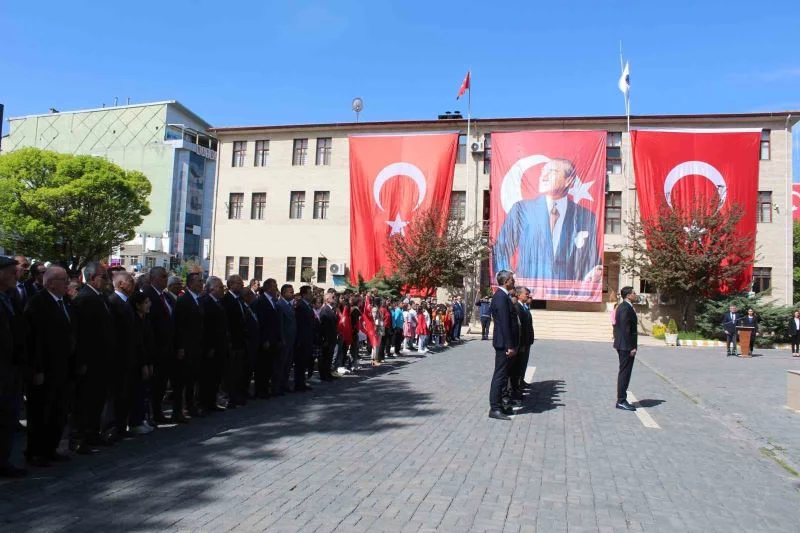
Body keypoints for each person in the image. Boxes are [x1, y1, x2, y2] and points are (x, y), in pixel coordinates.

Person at [492, 158, 602, 283]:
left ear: (569, 181)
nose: (543, 176)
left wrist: (595, 272)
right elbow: (501, 248)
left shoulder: (585, 216)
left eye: (552, 171)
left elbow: (591, 259)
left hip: (566, 294)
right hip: (527, 290)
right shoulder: (522, 210)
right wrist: (506, 278)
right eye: (543, 171)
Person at [24, 266, 76, 466]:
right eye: (63, 279)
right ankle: (35, 451)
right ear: (50, 283)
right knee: (41, 412)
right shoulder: (38, 303)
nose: (67, 283)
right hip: (45, 369)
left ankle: (50, 448)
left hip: (64, 367)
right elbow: (34, 339)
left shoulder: (66, 302)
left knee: (59, 411)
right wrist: (37, 369)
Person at [71, 262, 115, 451]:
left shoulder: (101, 297)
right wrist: (81, 361)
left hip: (102, 360)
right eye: (103, 277)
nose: (106, 280)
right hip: (90, 361)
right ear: (91, 278)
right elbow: (81, 334)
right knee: (86, 401)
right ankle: (81, 437)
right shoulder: (85, 298)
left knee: (97, 400)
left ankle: (93, 434)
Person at [0, 257, 28, 477]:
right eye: (10, 272)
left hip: (13, 368)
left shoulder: (11, 297)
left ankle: (4, 460)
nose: (15, 276)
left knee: (9, 416)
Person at [143, 267, 174, 424]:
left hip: (167, 347)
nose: (165, 279)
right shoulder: (148, 294)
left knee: (161, 383)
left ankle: (158, 411)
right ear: (153, 278)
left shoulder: (166, 296)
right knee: (154, 384)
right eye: (162, 276)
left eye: (166, 276)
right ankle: (151, 414)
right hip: (155, 347)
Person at [173, 272, 205, 422]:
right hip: (186, 347)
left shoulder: (198, 300)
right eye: (198, 281)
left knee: (192, 379)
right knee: (182, 381)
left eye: (202, 281)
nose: (201, 284)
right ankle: (178, 410)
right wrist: (180, 347)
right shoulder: (184, 300)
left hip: (196, 346)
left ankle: (191, 406)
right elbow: (179, 325)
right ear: (190, 283)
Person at [489, 270, 518, 421]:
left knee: (503, 375)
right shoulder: (500, 297)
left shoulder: (503, 296)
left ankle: (499, 405)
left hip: (504, 342)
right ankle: (494, 408)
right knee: (499, 376)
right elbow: (505, 324)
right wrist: (510, 346)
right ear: (506, 281)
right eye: (512, 279)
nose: (514, 281)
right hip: (503, 343)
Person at [200, 276, 229, 412]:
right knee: (208, 377)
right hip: (211, 346)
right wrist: (210, 346)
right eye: (220, 287)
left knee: (216, 376)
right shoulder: (206, 302)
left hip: (220, 345)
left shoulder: (219, 302)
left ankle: (212, 402)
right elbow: (208, 327)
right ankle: (204, 403)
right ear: (211, 288)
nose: (222, 289)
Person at [222, 275, 247, 407]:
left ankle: (237, 395)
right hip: (232, 341)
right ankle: (230, 397)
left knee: (238, 371)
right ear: (231, 284)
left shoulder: (240, 300)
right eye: (239, 283)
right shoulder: (227, 300)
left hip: (240, 341)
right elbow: (227, 323)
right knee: (231, 371)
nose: (242, 285)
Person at [613, 286, 638, 412]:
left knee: (625, 373)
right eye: (634, 293)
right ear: (628, 295)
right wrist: (631, 347)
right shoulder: (624, 308)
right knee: (624, 373)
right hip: (625, 347)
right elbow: (625, 329)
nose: (635, 294)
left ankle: (622, 399)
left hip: (624, 345)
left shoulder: (627, 307)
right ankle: (621, 400)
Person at [509, 287, 534, 400]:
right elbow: (520, 328)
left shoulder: (524, 307)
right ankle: (515, 389)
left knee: (522, 366)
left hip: (526, 341)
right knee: (517, 368)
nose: (528, 295)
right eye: (526, 294)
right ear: (519, 295)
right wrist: (522, 344)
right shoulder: (517, 307)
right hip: (520, 343)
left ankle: (519, 385)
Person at [293, 286, 315, 391]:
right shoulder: (301, 306)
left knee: (304, 363)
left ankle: (302, 382)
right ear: (304, 294)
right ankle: (298, 384)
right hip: (302, 339)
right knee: (300, 363)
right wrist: (300, 340)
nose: (312, 295)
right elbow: (300, 324)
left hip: (307, 338)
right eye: (310, 293)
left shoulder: (308, 306)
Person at [318, 292, 338, 381]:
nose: (334, 298)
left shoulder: (331, 309)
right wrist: (325, 339)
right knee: (325, 357)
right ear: (327, 299)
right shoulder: (324, 310)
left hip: (332, 338)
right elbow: (323, 326)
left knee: (329, 357)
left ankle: (328, 373)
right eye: (332, 297)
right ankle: (324, 375)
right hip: (327, 338)